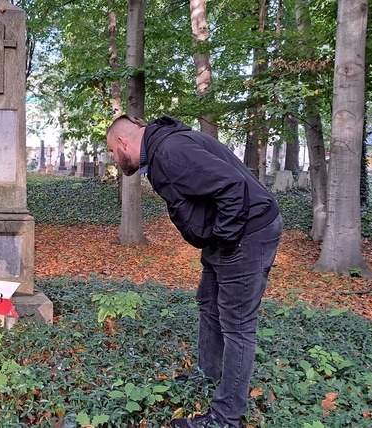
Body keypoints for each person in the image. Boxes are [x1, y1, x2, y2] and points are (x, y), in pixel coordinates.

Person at [106, 115, 282, 428]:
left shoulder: (170, 151)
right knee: (208, 303)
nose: (114, 159)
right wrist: (216, 237)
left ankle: (226, 418)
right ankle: (206, 374)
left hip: (245, 233)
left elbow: (232, 186)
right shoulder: (163, 148)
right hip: (226, 233)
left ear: (123, 143)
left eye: (112, 152)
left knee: (237, 324)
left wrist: (226, 238)